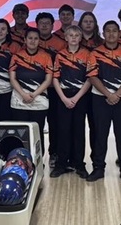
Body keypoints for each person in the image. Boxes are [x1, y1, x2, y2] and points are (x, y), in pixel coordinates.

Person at [86, 21, 121, 183]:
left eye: (114, 31)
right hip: (100, 98)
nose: (111, 34)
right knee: (101, 134)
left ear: (118, 33)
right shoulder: (95, 53)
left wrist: (117, 95)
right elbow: (92, 76)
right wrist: (108, 94)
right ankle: (98, 168)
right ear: (103, 33)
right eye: (108, 31)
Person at [50, 25, 92, 179]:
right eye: (71, 35)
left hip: (80, 96)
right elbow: (55, 78)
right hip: (63, 96)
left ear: (81, 38)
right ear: (65, 38)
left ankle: (79, 164)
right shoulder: (60, 56)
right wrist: (63, 98)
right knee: (63, 130)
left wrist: (76, 97)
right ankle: (61, 164)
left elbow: (89, 78)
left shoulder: (87, 54)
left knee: (79, 130)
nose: (74, 38)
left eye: (76, 35)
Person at [9, 28, 52, 158]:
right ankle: (20, 161)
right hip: (19, 100)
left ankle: (38, 162)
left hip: (39, 100)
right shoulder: (17, 56)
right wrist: (23, 94)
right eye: (30, 38)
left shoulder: (46, 57)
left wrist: (34, 94)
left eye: (36, 38)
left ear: (39, 41)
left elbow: (48, 79)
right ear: (25, 40)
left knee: (37, 132)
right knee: (20, 133)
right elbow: (12, 78)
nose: (33, 41)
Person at [36, 12, 67, 167]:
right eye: (41, 23)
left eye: (47, 23)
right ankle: (36, 156)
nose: (44, 26)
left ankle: (54, 153)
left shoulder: (60, 42)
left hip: (55, 89)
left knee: (55, 123)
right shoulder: (31, 40)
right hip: (36, 90)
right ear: (37, 25)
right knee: (37, 125)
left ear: (53, 25)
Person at [0, 19, 21, 127]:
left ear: (7, 31)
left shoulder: (15, 47)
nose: (0, 31)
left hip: (8, 91)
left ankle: (7, 145)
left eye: (3, 29)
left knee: (6, 125)